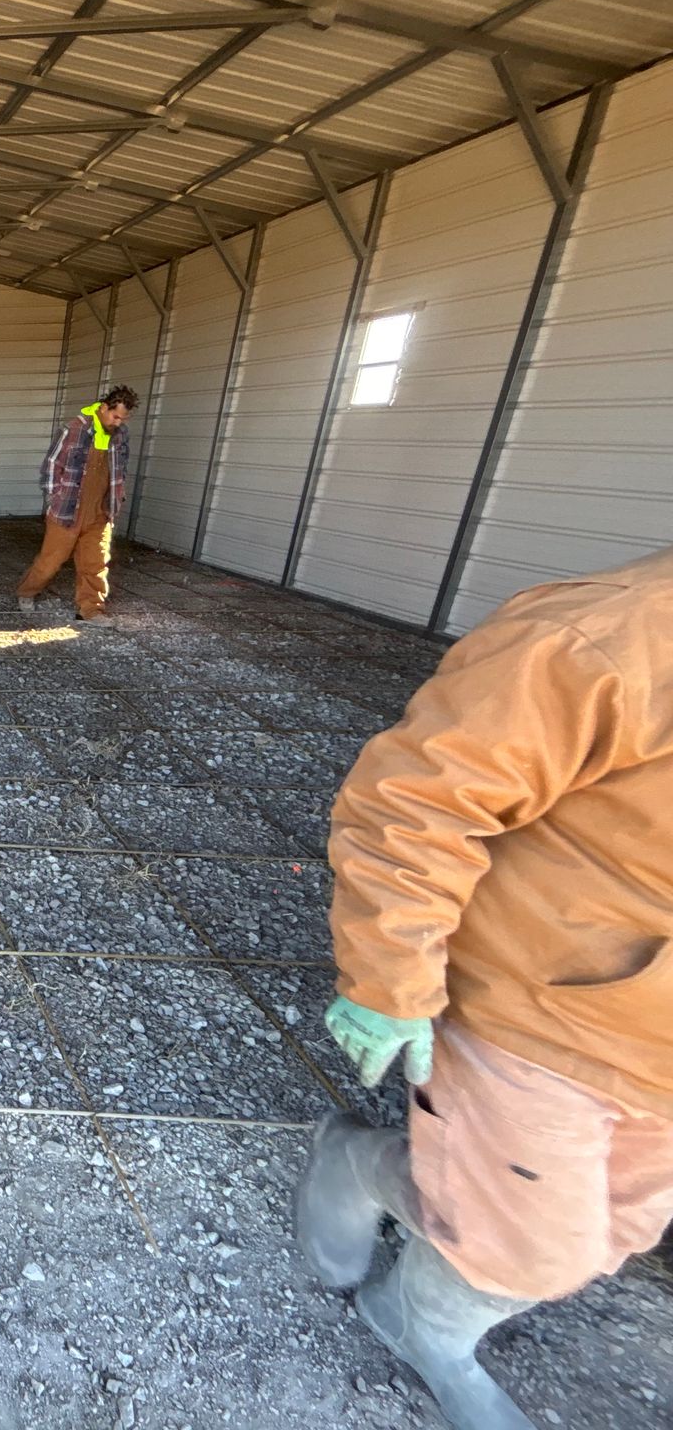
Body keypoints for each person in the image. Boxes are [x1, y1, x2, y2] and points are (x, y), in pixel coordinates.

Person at [297, 547, 673, 1430]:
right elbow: (417, 799)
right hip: (550, 1003)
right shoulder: (615, 635)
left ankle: (415, 1291)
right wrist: (391, 976)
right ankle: (371, 1196)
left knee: (616, 1229)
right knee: (528, 1249)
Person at [16, 386, 135, 625]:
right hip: (68, 509)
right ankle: (26, 593)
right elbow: (51, 464)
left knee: (96, 562)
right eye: (115, 416)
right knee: (51, 560)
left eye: (123, 418)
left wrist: (116, 500)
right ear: (104, 408)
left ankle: (91, 610)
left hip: (100, 511)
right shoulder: (74, 429)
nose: (119, 421)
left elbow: (119, 470)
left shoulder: (120, 436)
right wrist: (54, 498)